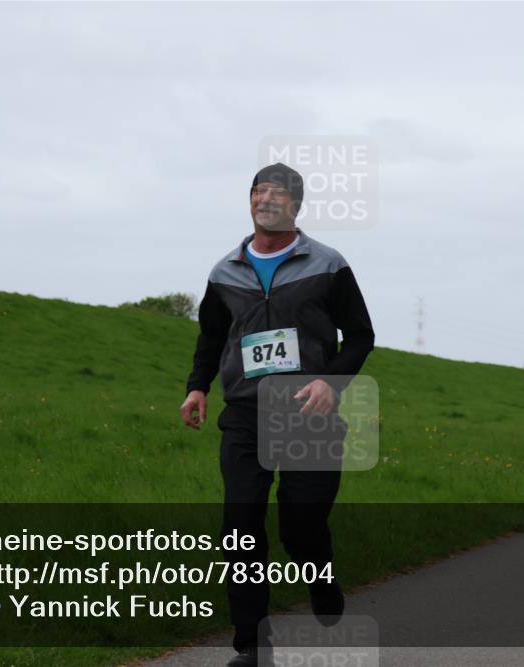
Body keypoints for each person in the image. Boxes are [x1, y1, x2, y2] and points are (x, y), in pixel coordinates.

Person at [180, 163, 375, 667]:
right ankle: (251, 645)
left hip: (307, 413)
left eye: (278, 194)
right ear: (249, 201)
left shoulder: (327, 264)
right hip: (245, 413)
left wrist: (330, 383)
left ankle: (320, 577)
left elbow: (360, 335)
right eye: (258, 191)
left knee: (301, 525)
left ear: (296, 205)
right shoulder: (224, 270)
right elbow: (211, 335)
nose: (266, 200)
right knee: (240, 525)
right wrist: (197, 388)